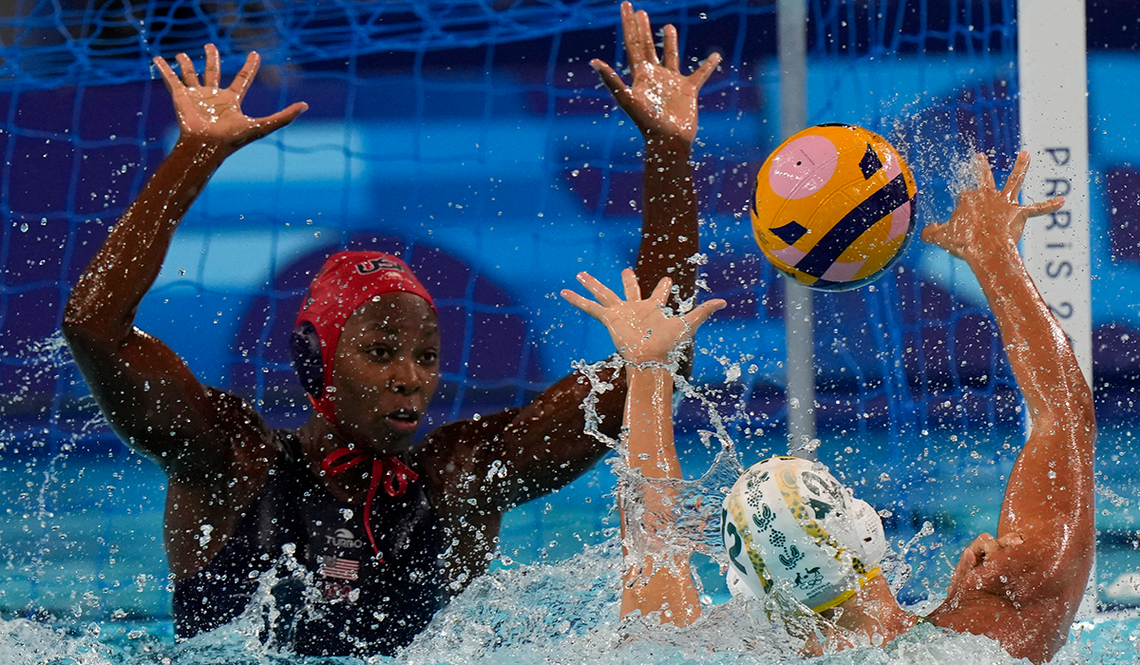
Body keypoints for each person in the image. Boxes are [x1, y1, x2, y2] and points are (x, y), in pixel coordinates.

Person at [61, 3, 721, 657]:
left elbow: (655, 362)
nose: (411, 376)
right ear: (316, 358)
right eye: (380, 352)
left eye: (426, 355)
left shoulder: (459, 479)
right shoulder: (233, 465)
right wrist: (194, 157)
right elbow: (93, 327)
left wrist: (667, 151)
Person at [562, 151, 1095, 665]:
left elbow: (650, 531)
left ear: (750, 587)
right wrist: (995, 254)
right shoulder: (991, 634)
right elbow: (1065, 418)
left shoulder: (686, 645)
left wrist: (647, 370)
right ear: (865, 528)